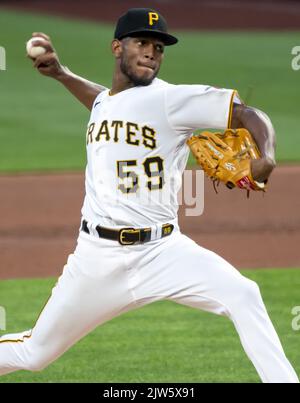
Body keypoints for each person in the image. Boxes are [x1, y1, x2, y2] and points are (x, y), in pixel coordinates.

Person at [0, 8, 298, 383]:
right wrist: (61, 74)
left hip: (164, 252)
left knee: (243, 294)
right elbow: (103, 103)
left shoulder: (172, 100)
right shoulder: (106, 102)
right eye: (141, 42)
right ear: (116, 47)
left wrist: (266, 155)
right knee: (35, 353)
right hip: (97, 259)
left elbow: (248, 114)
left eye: (158, 47)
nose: (151, 52)